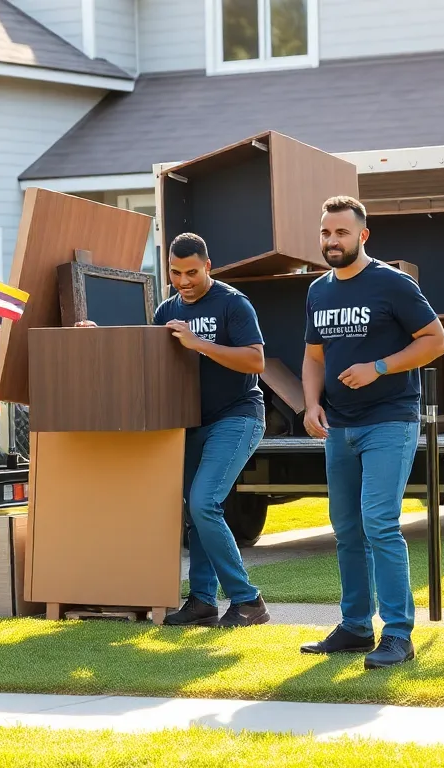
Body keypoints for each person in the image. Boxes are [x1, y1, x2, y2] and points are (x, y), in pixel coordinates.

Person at [76, 232, 270, 627]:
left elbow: (256, 361)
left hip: (238, 416)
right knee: (195, 512)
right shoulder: (166, 311)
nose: (184, 281)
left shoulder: (233, 304)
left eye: (192, 272)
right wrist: (99, 337)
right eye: (176, 273)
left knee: (204, 503)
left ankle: (248, 601)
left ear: (208, 266)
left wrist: (198, 343)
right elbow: (145, 361)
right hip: (191, 422)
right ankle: (202, 601)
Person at [298, 196, 444, 669]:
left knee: (379, 524)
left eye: (341, 233)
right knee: (346, 530)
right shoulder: (318, 291)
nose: (331, 241)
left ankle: (398, 634)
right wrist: (311, 404)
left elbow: (436, 341)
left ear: (363, 236)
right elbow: (313, 356)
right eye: (325, 233)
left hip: (389, 420)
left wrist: (379, 367)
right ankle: (356, 628)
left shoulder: (392, 283)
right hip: (338, 425)